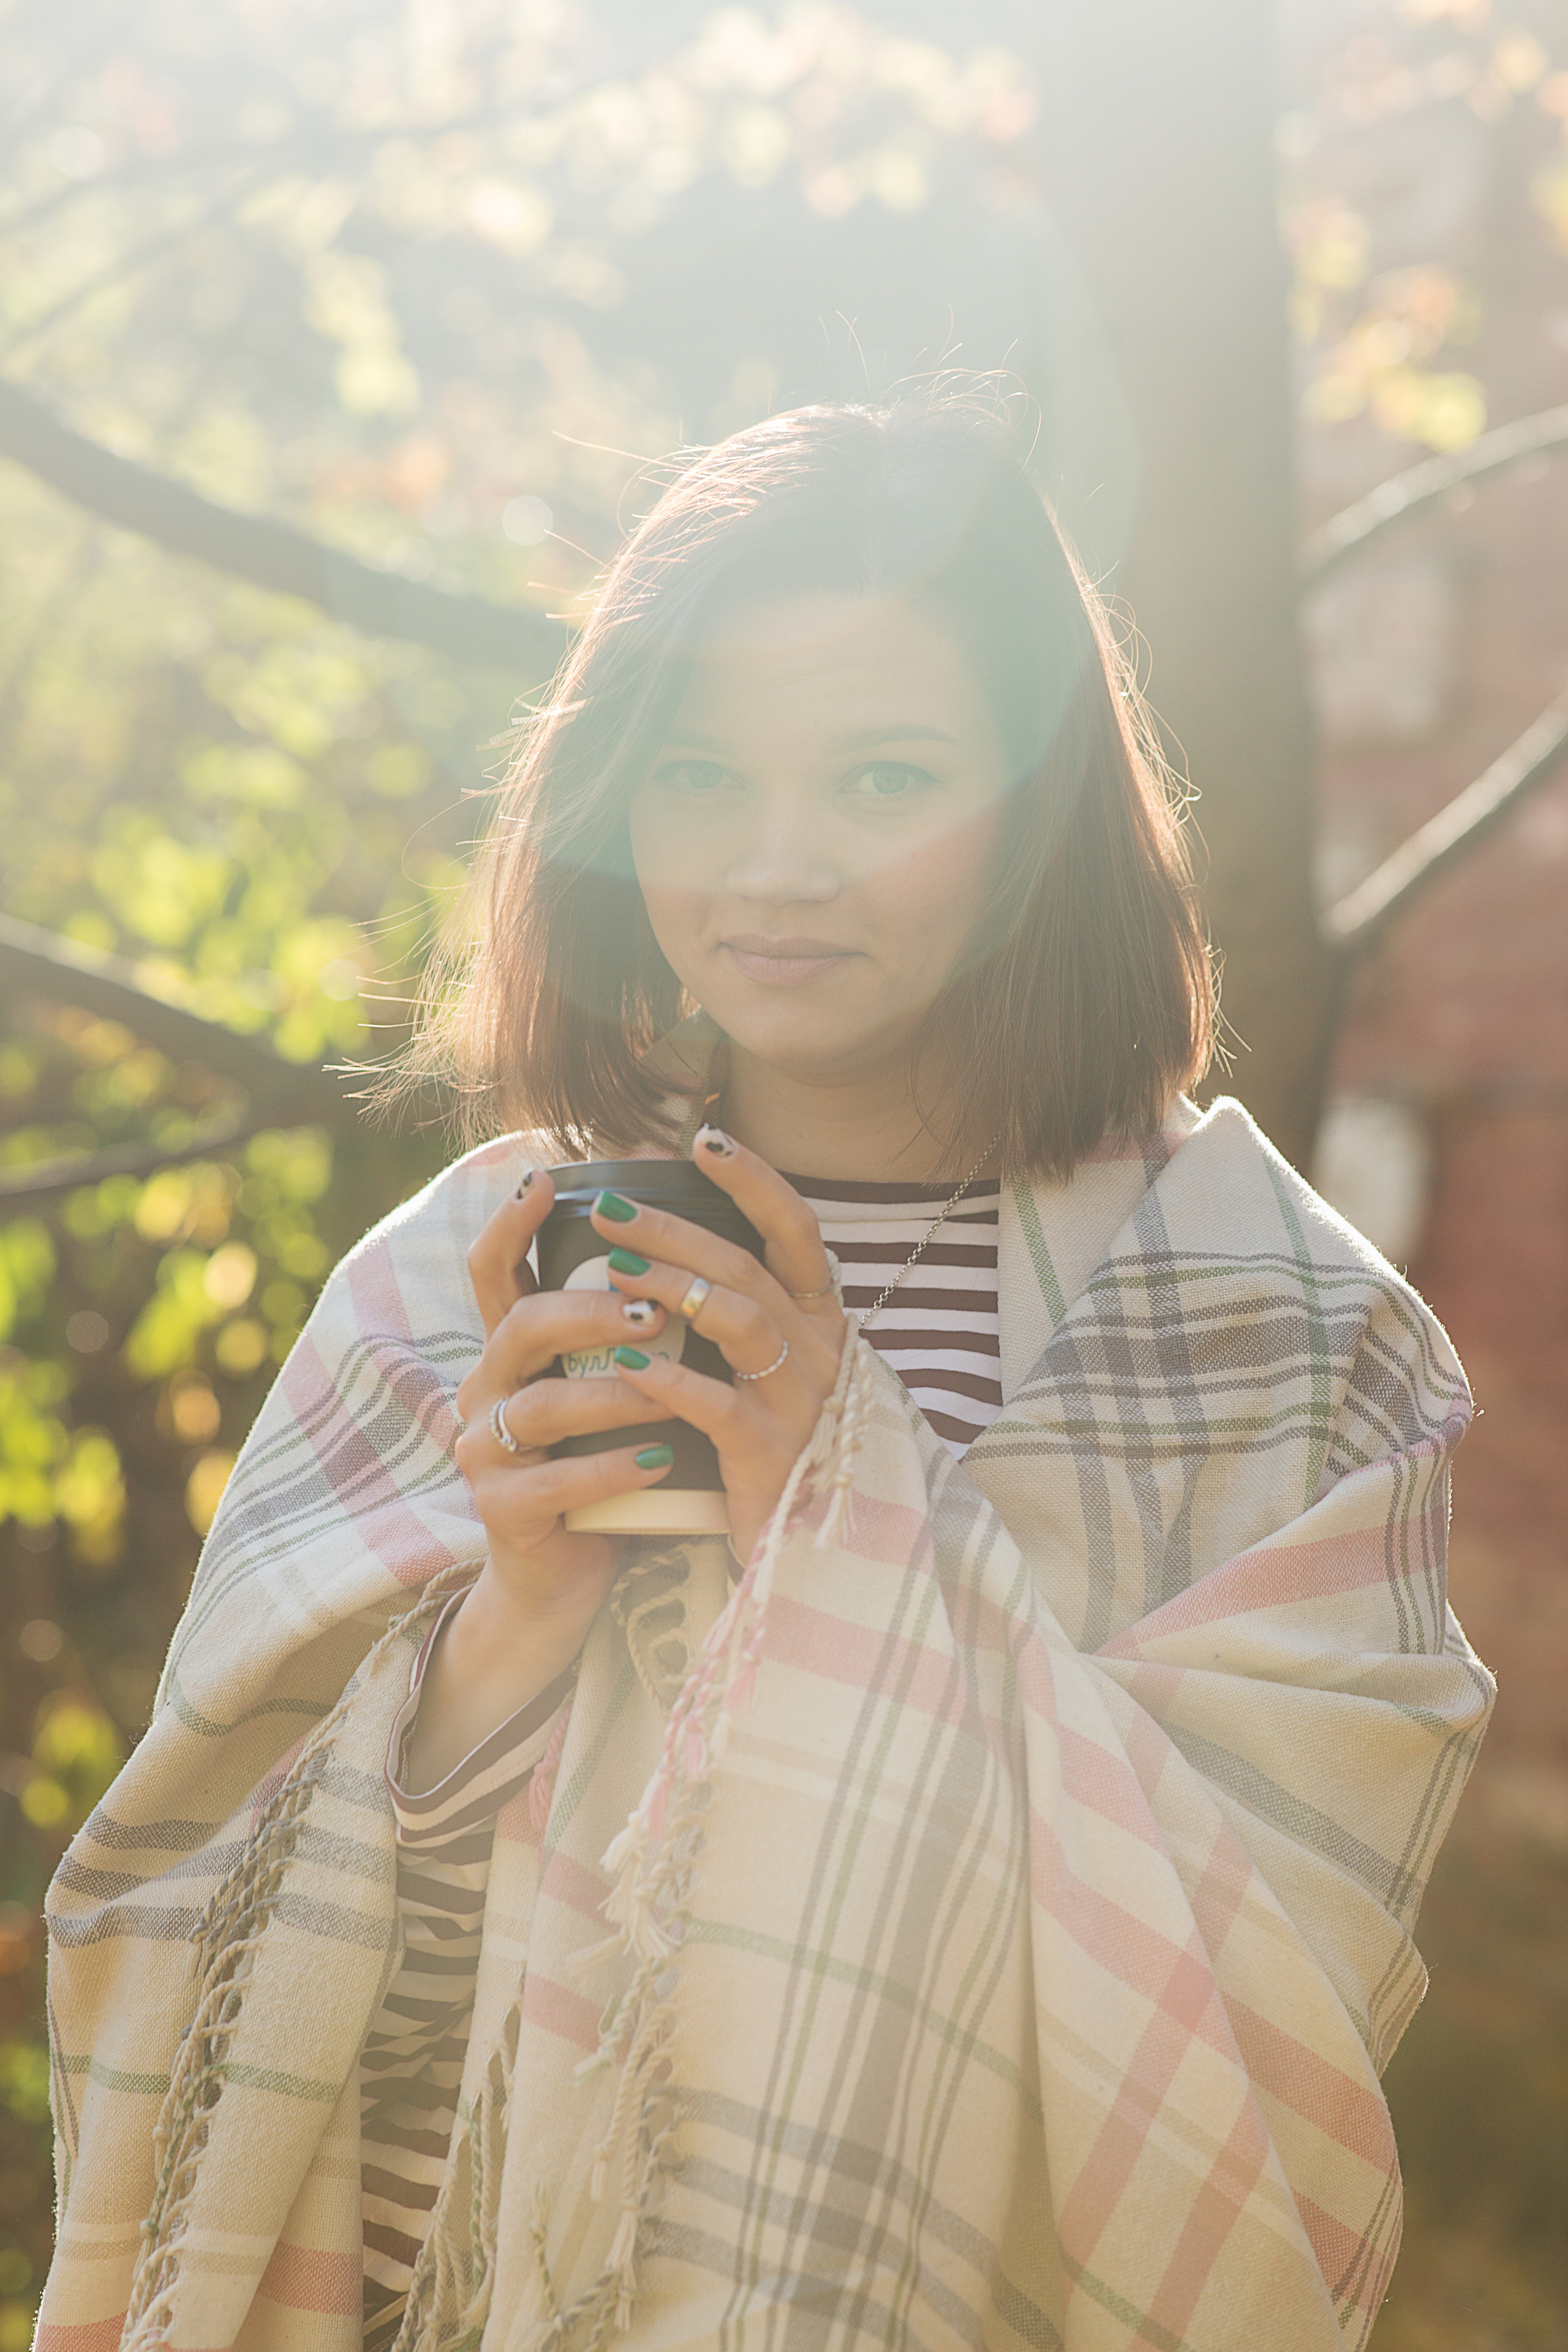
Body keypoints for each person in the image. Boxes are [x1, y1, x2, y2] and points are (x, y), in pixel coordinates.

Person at [40, 393, 1492, 2352]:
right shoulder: (456, 1286)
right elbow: (180, 1948)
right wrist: (503, 1637)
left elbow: (1276, 2049)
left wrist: (850, 1504)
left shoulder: (1272, 1335)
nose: (775, 866)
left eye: (885, 776)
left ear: (1047, 801)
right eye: (703, 777)